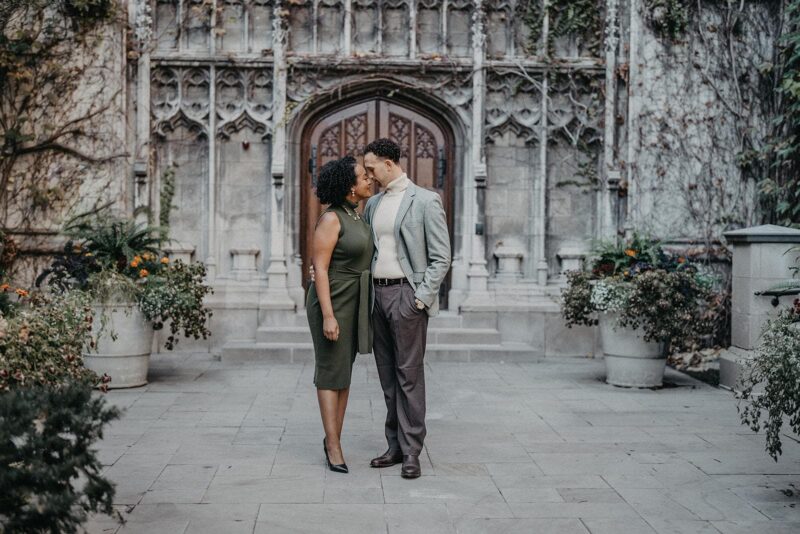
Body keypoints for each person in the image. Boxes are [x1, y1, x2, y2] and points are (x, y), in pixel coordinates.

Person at [362, 138, 451, 479]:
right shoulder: (373, 204)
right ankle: (394, 446)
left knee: (408, 376)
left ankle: (412, 450)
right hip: (377, 296)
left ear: (388, 163)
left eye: (371, 168)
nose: (368, 175)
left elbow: (442, 256)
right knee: (387, 376)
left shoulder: (426, 201)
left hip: (406, 295)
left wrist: (420, 297)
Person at [306, 155, 374, 474]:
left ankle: (334, 436)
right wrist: (329, 316)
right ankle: (333, 445)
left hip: (355, 297)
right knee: (331, 369)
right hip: (333, 298)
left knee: (344, 371)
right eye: (363, 177)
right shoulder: (332, 218)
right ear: (350, 188)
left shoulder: (357, 215)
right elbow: (319, 267)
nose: (369, 179)